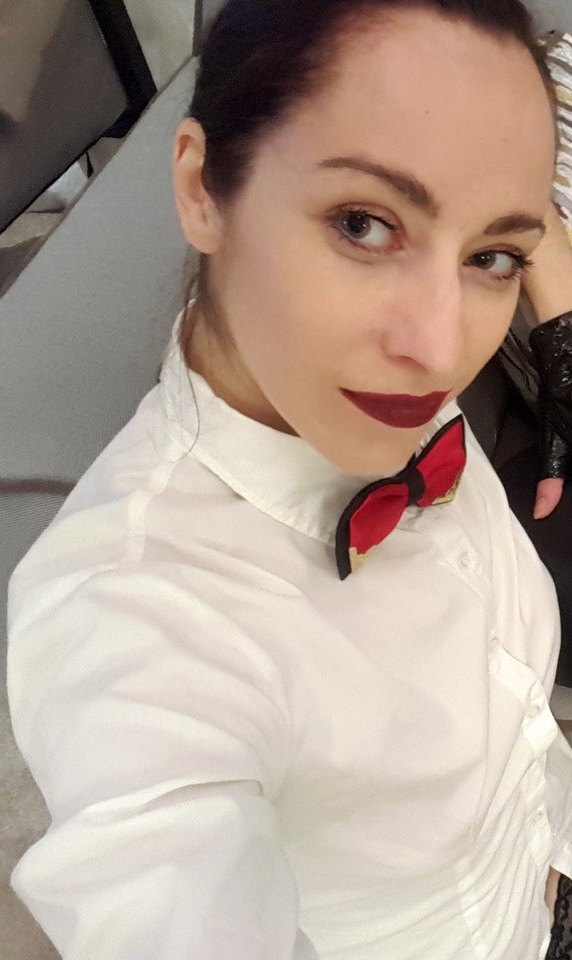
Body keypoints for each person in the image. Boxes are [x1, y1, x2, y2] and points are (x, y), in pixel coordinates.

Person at [6, 0, 572, 957]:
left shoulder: (360, 379)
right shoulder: (133, 622)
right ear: (200, 187)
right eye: (364, 224)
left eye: (491, 258)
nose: (441, 350)